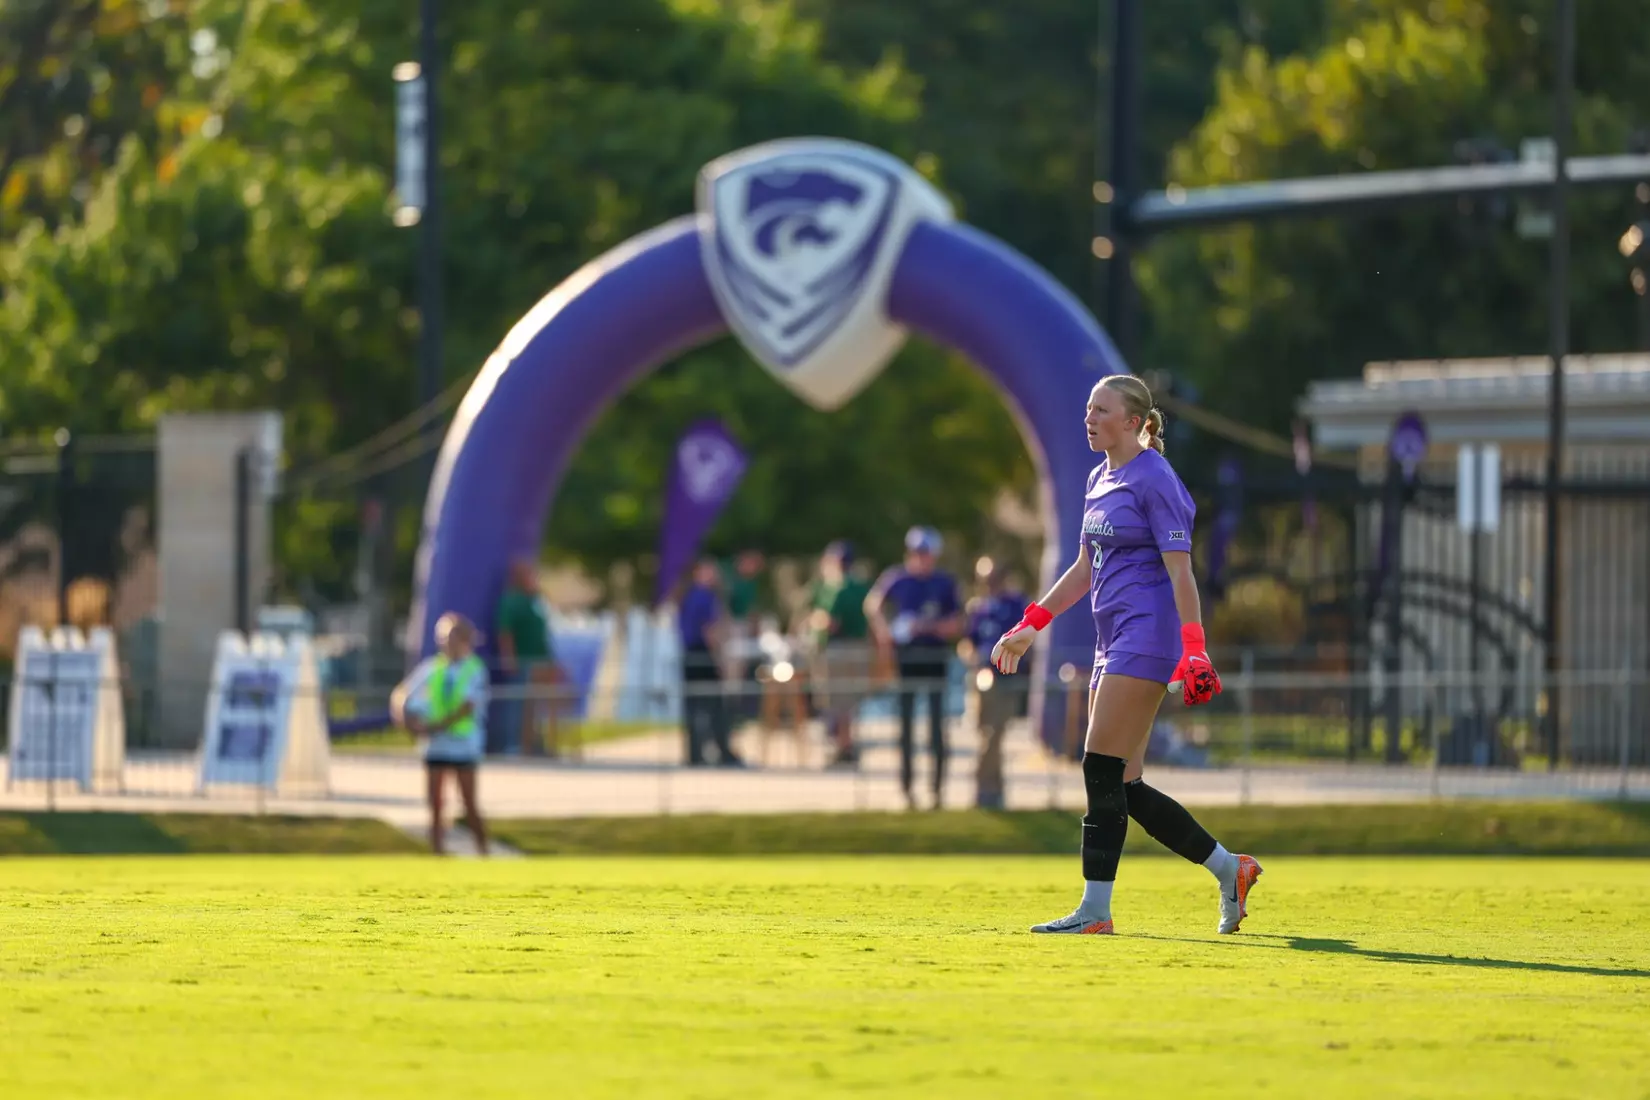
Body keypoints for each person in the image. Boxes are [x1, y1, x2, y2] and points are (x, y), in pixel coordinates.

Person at [992, 374, 1262, 935]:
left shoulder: (1155, 478)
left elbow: (1181, 571)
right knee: (1124, 783)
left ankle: (1095, 911)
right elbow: (1085, 569)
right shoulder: (1099, 477)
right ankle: (1229, 869)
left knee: (1098, 766)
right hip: (1109, 640)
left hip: (1148, 637)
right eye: (1088, 408)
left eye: (1102, 410)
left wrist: (1195, 651)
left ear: (1134, 421)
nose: (1089, 418)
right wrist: (1030, 625)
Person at [866, 526, 963, 810]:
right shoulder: (898, 579)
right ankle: (906, 788)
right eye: (918, 553)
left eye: (927, 554)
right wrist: (884, 633)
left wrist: (929, 627)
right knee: (906, 727)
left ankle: (936, 790)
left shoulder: (944, 583)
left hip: (934, 658)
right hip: (906, 659)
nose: (922, 559)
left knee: (936, 729)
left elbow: (956, 623)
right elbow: (873, 605)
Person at [390, 612, 491, 856]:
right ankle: (438, 853)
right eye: (443, 637)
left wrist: (435, 726)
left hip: (463, 744)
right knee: (435, 803)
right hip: (436, 745)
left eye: (452, 636)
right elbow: (402, 694)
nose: (446, 642)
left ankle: (483, 852)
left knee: (468, 804)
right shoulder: (432, 667)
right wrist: (406, 721)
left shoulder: (474, 669)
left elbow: (467, 707)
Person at [961, 563, 1028, 809]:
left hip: (1006, 679)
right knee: (983, 732)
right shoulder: (978, 608)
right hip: (981, 677)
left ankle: (983, 785)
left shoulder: (1015, 605)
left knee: (995, 734)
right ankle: (995, 788)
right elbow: (968, 641)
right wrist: (972, 659)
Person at [806, 540, 873, 768]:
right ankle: (847, 745)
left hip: (839, 650)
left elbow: (831, 622)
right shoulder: (860, 586)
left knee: (839, 703)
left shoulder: (839, 588)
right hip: (859, 648)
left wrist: (816, 619)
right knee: (850, 704)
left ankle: (844, 748)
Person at [495, 557, 563, 756]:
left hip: (542, 661)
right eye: (530, 575)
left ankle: (538, 744)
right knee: (519, 705)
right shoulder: (511, 601)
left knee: (536, 707)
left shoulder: (535, 600)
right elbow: (505, 632)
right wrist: (509, 658)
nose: (535, 578)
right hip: (524, 662)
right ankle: (515, 744)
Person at [679, 557, 743, 767]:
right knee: (712, 705)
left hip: (689, 654)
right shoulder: (704, 597)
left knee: (695, 706)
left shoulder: (689, 595)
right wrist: (718, 659)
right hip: (702, 654)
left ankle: (696, 753)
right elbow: (709, 631)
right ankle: (721, 751)